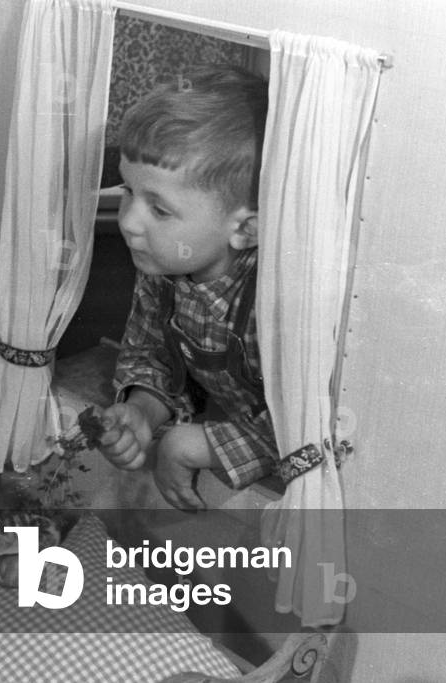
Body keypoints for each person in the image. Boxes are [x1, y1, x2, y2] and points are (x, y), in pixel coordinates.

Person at [98, 65, 275, 512]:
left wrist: (195, 445)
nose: (129, 222)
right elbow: (152, 355)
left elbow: (307, 428)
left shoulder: (272, 300)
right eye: (128, 190)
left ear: (246, 229)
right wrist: (143, 410)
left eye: (159, 209)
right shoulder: (163, 265)